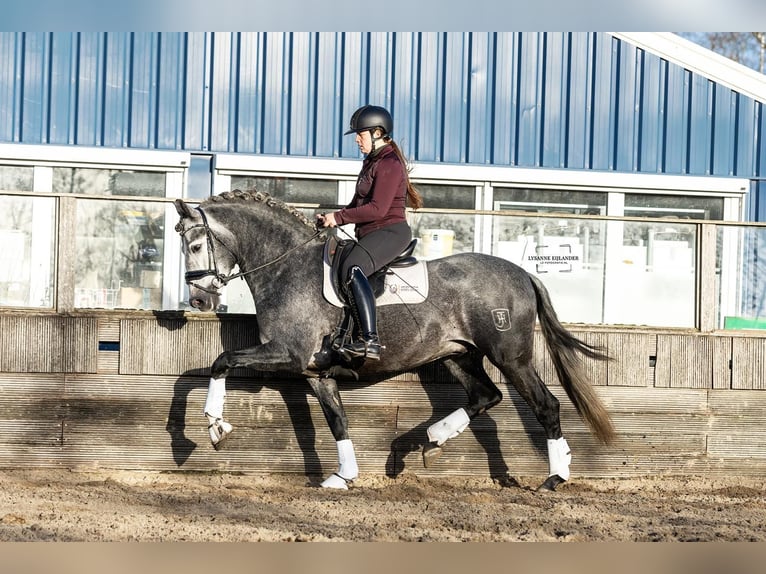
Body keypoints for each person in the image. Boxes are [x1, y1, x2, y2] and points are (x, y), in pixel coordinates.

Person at [316, 104, 422, 361]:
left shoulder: (390, 164)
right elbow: (357, 205)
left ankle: (369, 341)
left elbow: (377, 209)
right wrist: (330, 218)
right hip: (371, 233)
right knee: (340, 262)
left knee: (353, 267)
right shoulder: (371, 162)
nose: (356, 139)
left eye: (360, 134)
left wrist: (339, 217)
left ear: (377, 133)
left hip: (391, 232)